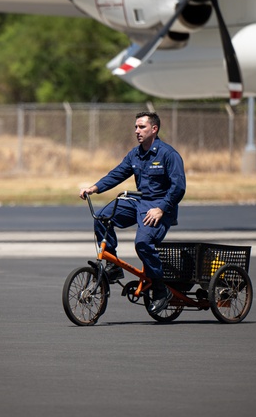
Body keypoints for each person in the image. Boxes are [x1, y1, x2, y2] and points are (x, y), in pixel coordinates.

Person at [79, 111, 186, 314]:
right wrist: (94, 187)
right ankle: (113, 266)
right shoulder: (135, 154)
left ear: (154, 129)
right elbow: (118, 173)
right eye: (136, 127)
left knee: (143, 243)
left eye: (142, 127)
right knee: (102, 217)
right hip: (140, 201)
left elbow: (178, 187)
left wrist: (162, 209)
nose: (137, 131)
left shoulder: (168, 154)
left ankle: (161, 289)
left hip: (159, 207)